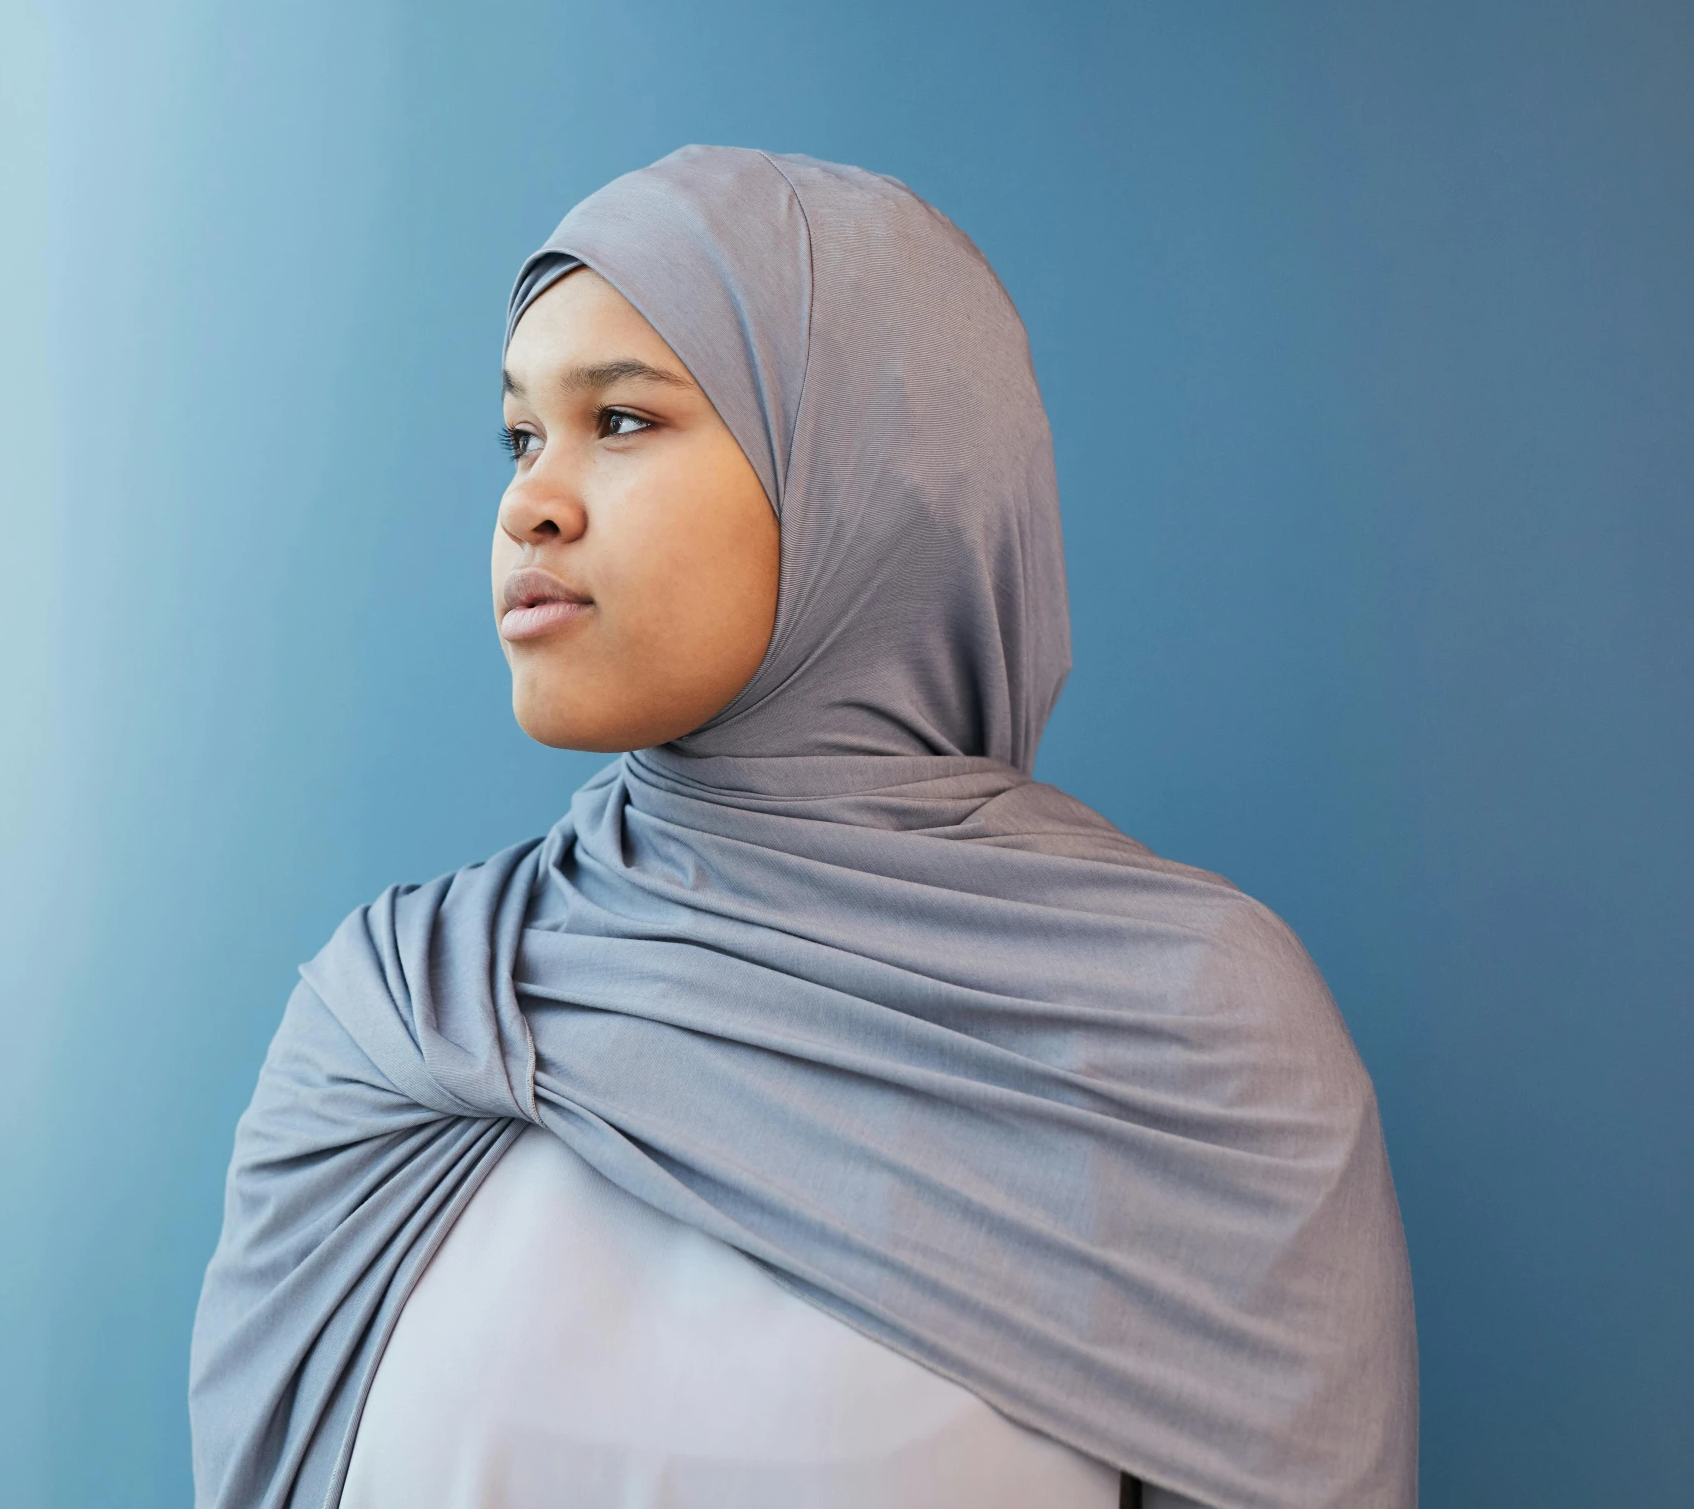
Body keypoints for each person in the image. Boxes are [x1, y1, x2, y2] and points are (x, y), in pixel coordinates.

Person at [191, 146, 1416, 1509]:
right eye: (521, 435)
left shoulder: (1186, 1034)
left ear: (863, 469)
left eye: (626, 422)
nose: (528, 501)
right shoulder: (396, 1022)